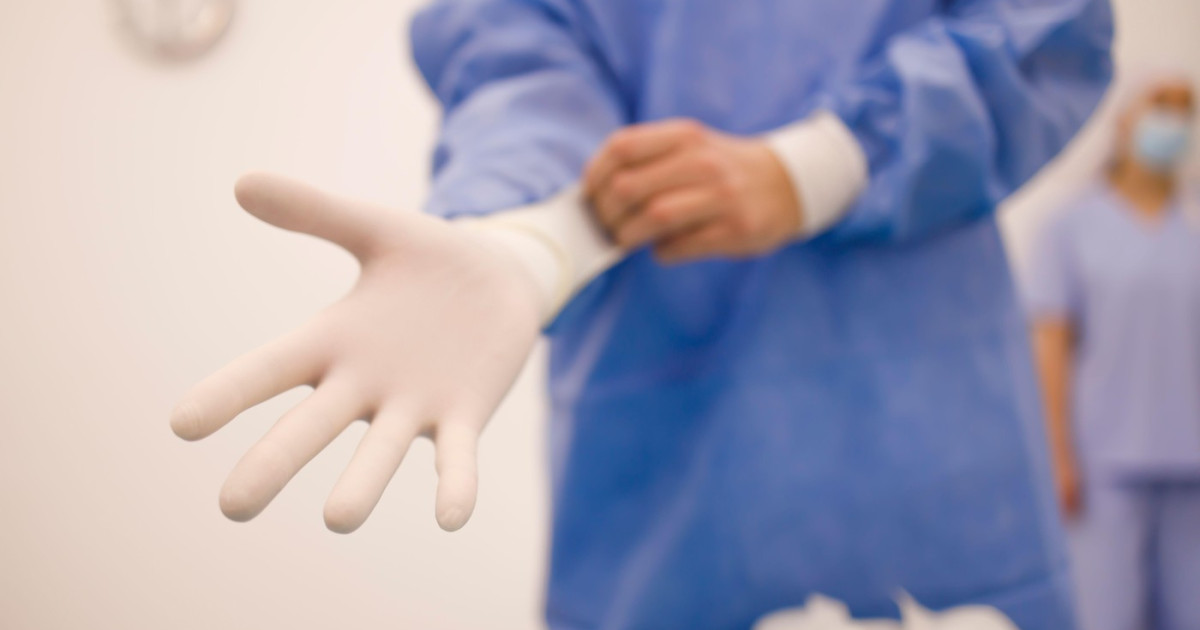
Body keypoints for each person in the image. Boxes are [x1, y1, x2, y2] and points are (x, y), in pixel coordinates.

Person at [170, 1, 1113, 628]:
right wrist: (519, 241)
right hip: (667, 474)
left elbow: (1047, 28)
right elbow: (522, 69)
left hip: (932, 445)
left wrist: (817, 166)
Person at [1027, 74, 1199, 630]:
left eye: (1184, 111)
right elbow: (1050, 345)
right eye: (1160, 106)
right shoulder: (1071, 227)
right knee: (1108, 616)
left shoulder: (1192, 227)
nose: (1173, 123)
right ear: (1124, 120)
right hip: (1104, 465)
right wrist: (1057, 455)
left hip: (1191, 465)